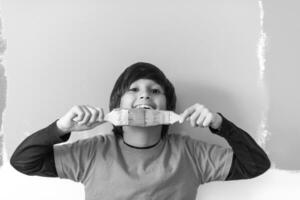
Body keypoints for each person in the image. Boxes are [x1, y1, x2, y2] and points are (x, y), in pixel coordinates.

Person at [10, 62, 270, 200]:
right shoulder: (91, 152)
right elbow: (23, 162)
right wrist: (62, 128)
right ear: (116, 104)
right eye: (133, 90)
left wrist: (219, 124)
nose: (144, 95)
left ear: (168, 106)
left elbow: (256, 164)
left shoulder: (191, 152)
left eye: (155, 91)